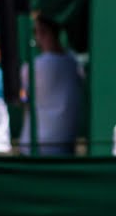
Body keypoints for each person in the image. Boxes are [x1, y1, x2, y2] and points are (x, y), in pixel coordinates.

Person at [19, 13, 83, 156]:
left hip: (37, 149)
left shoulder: (31, 68)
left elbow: (23, 98)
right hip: (61, 147)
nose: (36, 36)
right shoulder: (74, 64)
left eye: (36, 31)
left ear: (44, 32)